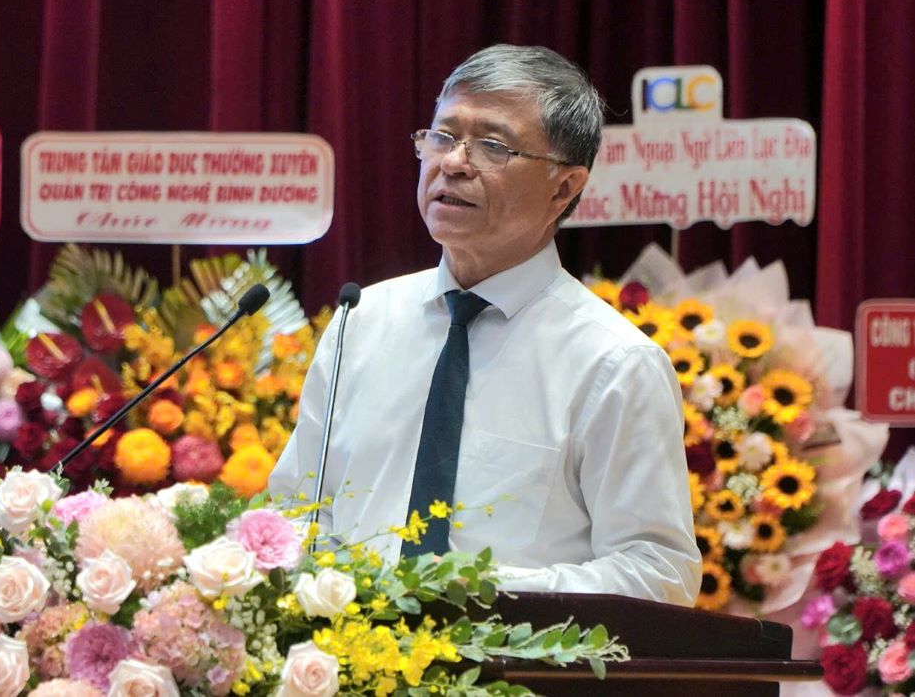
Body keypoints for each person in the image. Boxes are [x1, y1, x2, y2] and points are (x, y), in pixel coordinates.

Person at [269, 44, 700, 606]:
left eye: (492, 146)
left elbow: (659, 573)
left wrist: (487, 596)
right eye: (443, 137)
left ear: (565, 188)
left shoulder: (613, 362)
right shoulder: (362, 321)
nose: (453, 163)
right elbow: (293, 512)